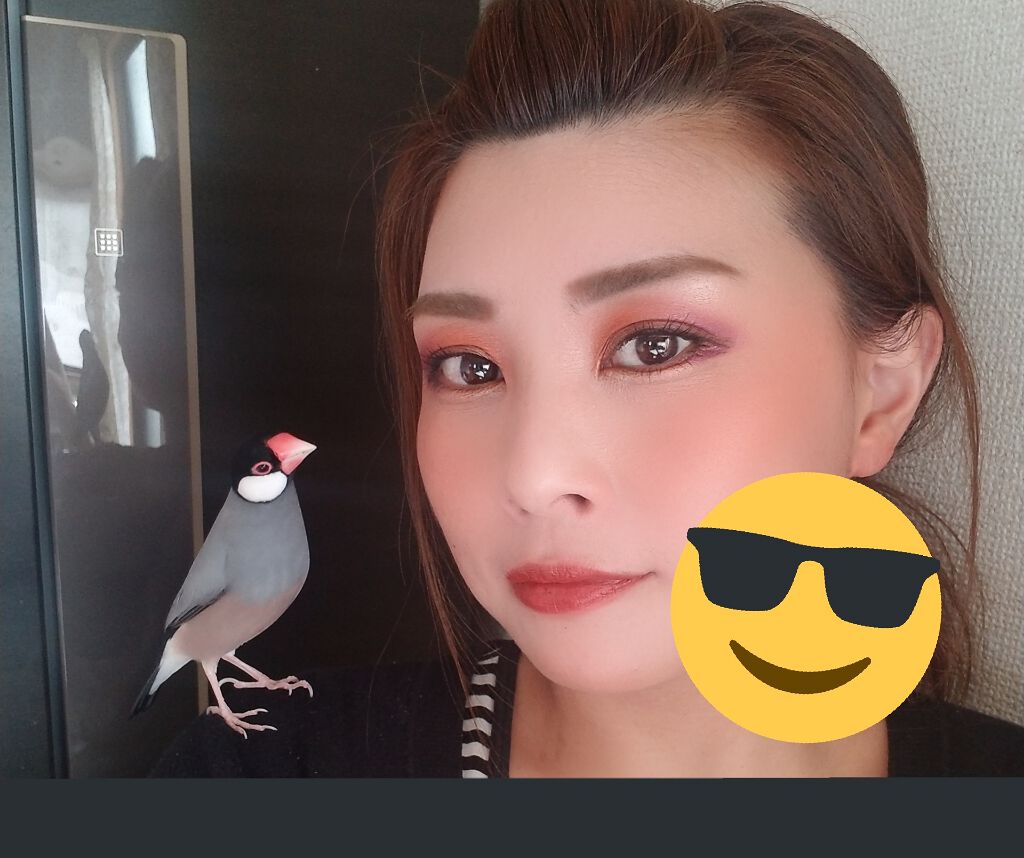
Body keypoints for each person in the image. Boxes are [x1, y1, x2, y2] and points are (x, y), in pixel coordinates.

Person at [151, 0, 1024, 778]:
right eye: (470, 366)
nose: (532, 476)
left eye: (654, 345)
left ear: (882, 392)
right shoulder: (255, 773)